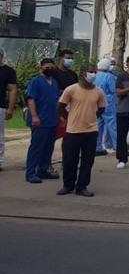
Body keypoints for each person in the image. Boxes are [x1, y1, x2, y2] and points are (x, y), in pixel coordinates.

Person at [55, 64, 107, 197]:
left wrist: (93, 117)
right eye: (90, 72)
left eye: (95, 72)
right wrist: (68, 117)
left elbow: (102, 107)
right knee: (69, 160)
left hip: (91, 131)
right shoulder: (71, 89)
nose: (93, 74)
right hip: (72, 131)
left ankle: (82, 186)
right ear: (83, 73)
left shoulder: (98, 91)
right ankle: (68, 185)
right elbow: (61, 106)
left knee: (87, 161)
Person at [25, 59, 60, 183]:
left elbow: (56, 100)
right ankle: (30, 172)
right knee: (37, 146)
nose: (50, 69)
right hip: (40, 120)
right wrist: (34, 116)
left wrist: (59, 116)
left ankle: (43, 170)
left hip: (52, 120)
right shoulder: (36, 82)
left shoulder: (54, 82)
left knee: (48, 147)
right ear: (41, 68)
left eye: (52, 67)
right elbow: (31, 99)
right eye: (47, 67)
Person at [94, 59, 117, 156]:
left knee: (98, 126)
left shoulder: (95, 76)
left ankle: (97, 148)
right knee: (113, 126)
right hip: (108, 103)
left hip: (96, 103)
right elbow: (113, 89)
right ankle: (118, 146)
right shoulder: (109, 76)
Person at [0, 47, 15, 172]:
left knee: (0, 136)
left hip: (0, 107)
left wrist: (10, 108)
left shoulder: (8, 71)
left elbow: (12, 90)